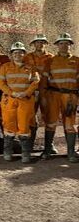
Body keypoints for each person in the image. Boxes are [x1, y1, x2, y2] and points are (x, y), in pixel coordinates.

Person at [0, 42, 40, 163]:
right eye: (15, 52)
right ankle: (8, 152)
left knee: (24, 126)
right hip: (9, 100)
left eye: (20, 52)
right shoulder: (5, 67)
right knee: (9, 125)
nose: (17, 55)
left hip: (25, 100)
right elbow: (1, 83)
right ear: (11, 54)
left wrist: (26, 93)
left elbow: (35, 82)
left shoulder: (30, 68)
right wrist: (12, 93)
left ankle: (25, 154)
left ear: (24, 54)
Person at [41, 33, 79, 162]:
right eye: (61, 43)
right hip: (53, 95)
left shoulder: (77, 61)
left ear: (70, 45)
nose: (64, 46)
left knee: (70, 124)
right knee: (51, 122)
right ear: (57, 45)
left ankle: (71, 152)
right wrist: (43, 97)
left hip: (71, 96)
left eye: (67, 43)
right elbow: (44, 80)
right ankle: (47, 150)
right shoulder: (50, 61)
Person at [24, 33, 57, 153]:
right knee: (30, 117)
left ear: (46, 44)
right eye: (38, 42)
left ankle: (49, 145)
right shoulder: (27, 57)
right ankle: (29, 145)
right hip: (31, 91)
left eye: (42, 42)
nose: (40, 44)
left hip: (46, 91)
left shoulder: (51, 57)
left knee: (49, 117)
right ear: (34, 44)